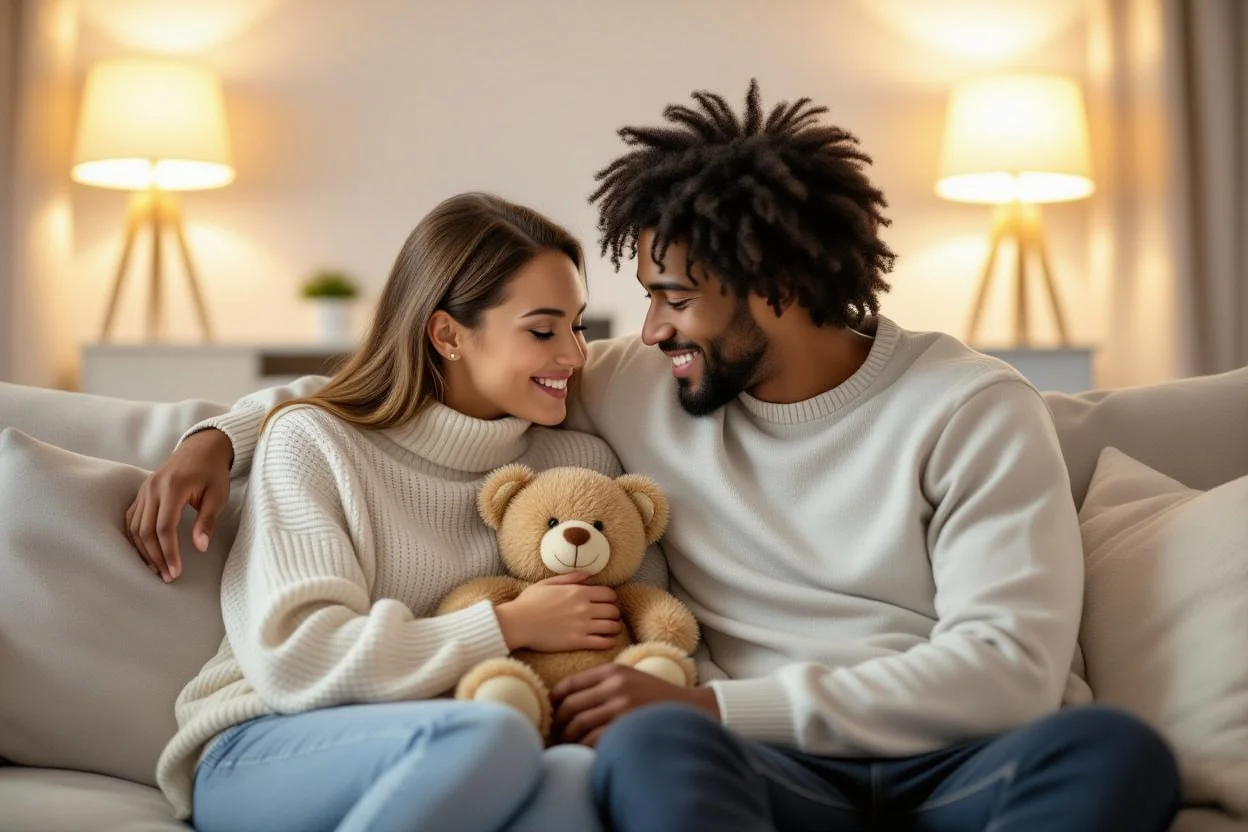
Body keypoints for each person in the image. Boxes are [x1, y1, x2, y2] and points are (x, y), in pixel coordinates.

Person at [133, 83, 1181, 832]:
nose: (644, 327)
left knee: (1117, 752)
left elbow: (1008, 669)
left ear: (771, 284)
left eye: (673, 295)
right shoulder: (647, 379)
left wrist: (717, 701)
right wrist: (223, 430)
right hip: (763, 765)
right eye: (640, 296)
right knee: (644, 747)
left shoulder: (972, 407)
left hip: (954, 754)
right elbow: (401, 389)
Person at [144, 192, 665, 832]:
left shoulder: (577, 463)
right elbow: (296, 657)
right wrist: (507, 626)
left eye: (578, 326)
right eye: (542, 330)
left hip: (467, 743)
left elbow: (637, 622)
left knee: (572, 780)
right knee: (493, 736)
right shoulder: (317, 442)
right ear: (447, 333)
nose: (575, 355)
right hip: (269, 741)